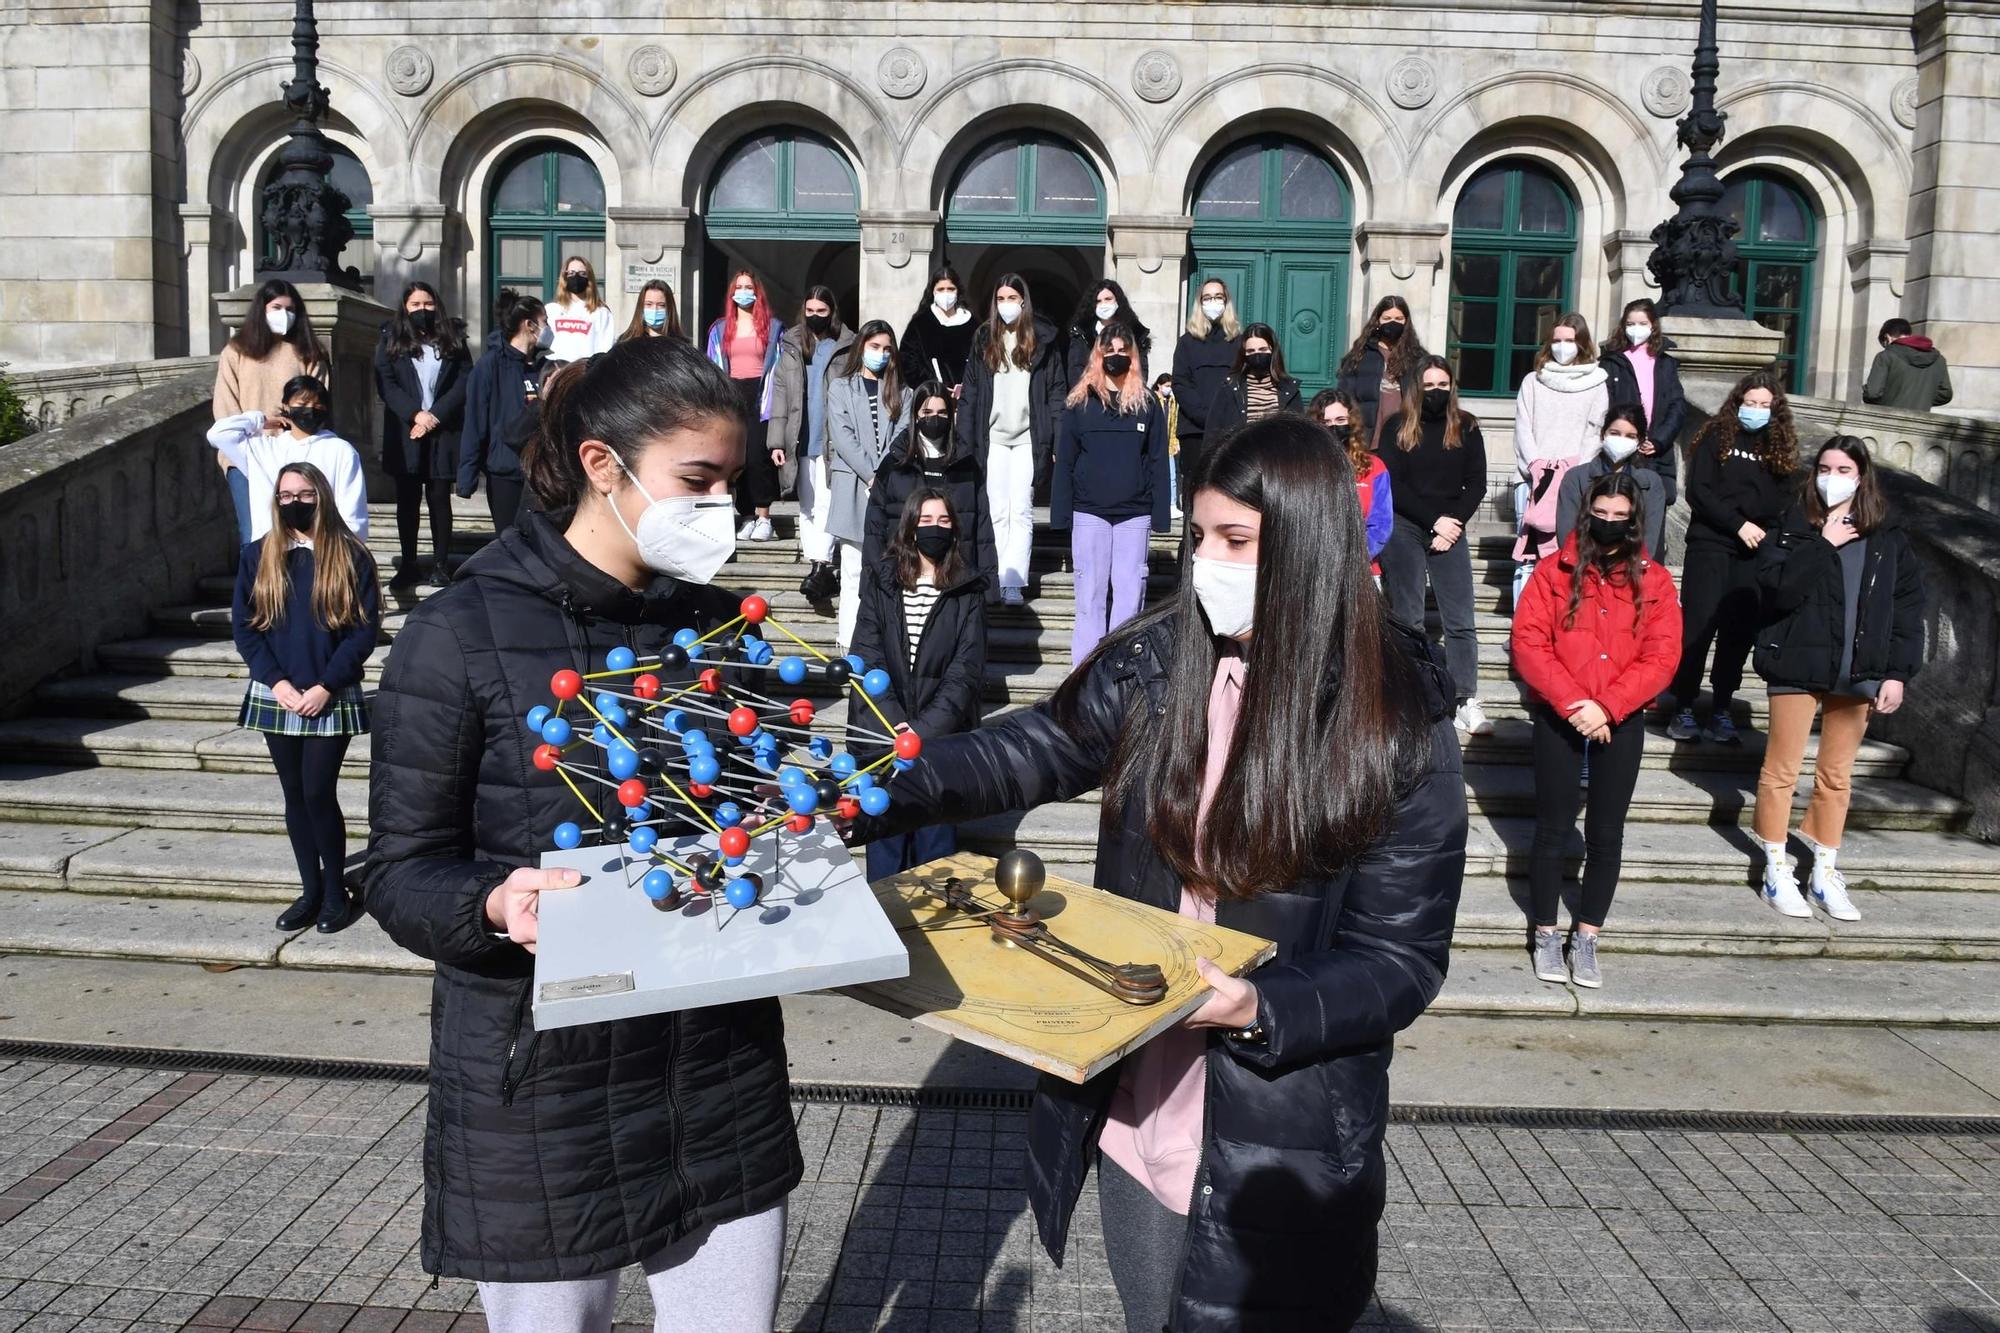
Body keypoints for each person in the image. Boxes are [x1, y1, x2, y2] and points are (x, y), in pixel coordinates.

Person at [850, 415, 1467, 1333]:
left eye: (1237, 541)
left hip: (1279, 1126)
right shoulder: (1160, 659)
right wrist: (878, 782)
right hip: (1142, 1099)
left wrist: (1263, 1006)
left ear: (1307, 547)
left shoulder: (1396, 723)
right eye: (1201, 536)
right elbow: (1036, 747)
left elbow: (1399, 958)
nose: (1207, 564)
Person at [365, 339, 799, 1333]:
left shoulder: (726, 631)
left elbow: (769, 809)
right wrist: (491, 902)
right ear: (602, 466)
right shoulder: (459, 634)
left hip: (715, 1074)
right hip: (545, 1089)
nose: (722, 506)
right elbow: (399, 870)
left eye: (733, 481)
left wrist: (791, 837)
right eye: (698, 480)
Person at [1509, 471, 1681, 988]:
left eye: (1619, 518)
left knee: (1606, 834)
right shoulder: (1552, 572)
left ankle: (1586, 938)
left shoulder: (1654, 580)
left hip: (1619, 717)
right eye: (1599, 515)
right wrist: (1573, 702)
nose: (1608, 525)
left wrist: (1607, 707)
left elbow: (1663, 654)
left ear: (1634, 522)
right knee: (1552, 829)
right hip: (1562, 712)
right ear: (1587, 515)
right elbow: (1529, 643)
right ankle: (1544, 932)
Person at [1751, 436, 1925, 921]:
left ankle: (1824, 872)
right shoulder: (1792, 526)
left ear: (1862, 476)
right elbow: (1777, 591)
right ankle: (1775, 867)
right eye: (1824, 467)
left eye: (1844, 469)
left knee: (1836, 777)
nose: (1832, 477)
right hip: (1795, 663)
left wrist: (1897, 672)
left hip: (1859, 668)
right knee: (1781, 771)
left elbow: (1908, 608)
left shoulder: (1887, 536)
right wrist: (1822, 544)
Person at [233, 461, 379, 935]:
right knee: (294, 794)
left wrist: (325, 687)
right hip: (278, 692)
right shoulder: (259, 555)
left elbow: (362, 632)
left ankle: (336, 892)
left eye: (304, 493)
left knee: (319, 792)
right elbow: (246, 629)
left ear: (321, 495)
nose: (294, 502)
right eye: (286, 495)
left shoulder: (350, 555)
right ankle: (310, 890)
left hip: (328, 692)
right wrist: (276, 683)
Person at [848, 488, 988, 882]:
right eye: (926, 521)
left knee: (935, 854)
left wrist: (922, 731)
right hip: (881, 734)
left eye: (944, 521)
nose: (935, 528)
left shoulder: (968, 590)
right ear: (909, 528)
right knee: (887, 853)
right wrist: (895, 724)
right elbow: (867, 653)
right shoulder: (882, 580)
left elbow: (966, 672)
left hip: (940, 742)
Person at [1666, 369, 1798, 745]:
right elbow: (1700, 491)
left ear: (1775, 409)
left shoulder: (1779, 447)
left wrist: (1763, 531)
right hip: (1711, 544)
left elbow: (1782, 499)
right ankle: (1684, 705)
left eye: (1763, 405)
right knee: (1699, 626)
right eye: (1749, 403)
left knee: (1738, 634)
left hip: (1755, 551)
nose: (1755, 410)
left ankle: (1722, 706)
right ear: (1737, 403)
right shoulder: (1714, 436)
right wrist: (1738, 523)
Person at [1376, 355, 1491, 735]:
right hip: (1408, 525)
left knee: (1460, 619)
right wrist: (1434, 521)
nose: (1437, 392)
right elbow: (1394, 483)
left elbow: (1477, 482)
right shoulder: (1397, 427)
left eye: (1444, 385)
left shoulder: (1467, 427)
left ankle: (1464, 698)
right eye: (1430, 386)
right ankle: (1411, 692)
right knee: (1408, 615)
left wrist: (1452, 523)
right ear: (1416, 388)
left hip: (1450, 528)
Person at [1052, 324, 1173, 662]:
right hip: (1089, 513)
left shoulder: (1148, 404)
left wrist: (1160, 515)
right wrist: (1060, 516)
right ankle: (1083, 676)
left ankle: (1122, 675)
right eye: (1110, 351)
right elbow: (1066, 462)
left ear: (1133, 357)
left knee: (1129, 599)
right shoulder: (1080, 403)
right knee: (1089, 599)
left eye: (1124, 351)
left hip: (1134, 515)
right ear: (1098, 355)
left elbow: (1157, 461)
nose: (1116, 357)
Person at [956, 274, 1066, 607]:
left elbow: (1056, 395)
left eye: (1012, 297)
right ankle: (995, 577)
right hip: (992, 438)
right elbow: (970, 394)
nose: (1007, 304)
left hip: (1028, 439)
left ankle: (1014, 582)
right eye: (1001, 298)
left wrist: (1058, 441)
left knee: (1020, 510)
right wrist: (965, 440)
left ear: (1023, 300)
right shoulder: (982, 340)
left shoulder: (1042, 340)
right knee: (995, 510)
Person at [213, 279, 325, 545]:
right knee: (253, 534)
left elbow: (317, 403)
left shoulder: (309, 352)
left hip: (293, 451)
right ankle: (253, 588)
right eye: (276, 307)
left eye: (290, 309)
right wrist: (258, 425)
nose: (283, 314)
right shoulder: (236, 351)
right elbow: (225, 407)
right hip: (245, 454)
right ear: (262, 309)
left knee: (298, 534)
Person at [376, 282, 472, 588]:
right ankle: (409, 563)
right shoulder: (390, 340)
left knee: (439, 498)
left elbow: (463, 380)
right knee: (407, 500)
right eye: (415, 305)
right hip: (406, 433)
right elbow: (386, 384)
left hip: (442, 431)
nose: (422, 310)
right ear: (405, 308)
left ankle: (441, 564)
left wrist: (434, 416)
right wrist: (414, 414)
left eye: (428, 304)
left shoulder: (453, 339)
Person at [825, 320, 912, 652]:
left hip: (888, 490)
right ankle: (848, 642)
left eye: (887, 349)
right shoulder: (841, 387)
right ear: (861, 346)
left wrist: (884, 474)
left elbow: (903, 436)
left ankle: (884, 642)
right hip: (854, 488)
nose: (881, 354)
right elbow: (842, 436)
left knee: (889, 571)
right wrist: (871, 473)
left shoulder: (904, 392)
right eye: (875, 347)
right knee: (851, 570)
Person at [1511, 312, 1608, 605]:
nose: (1562, 346)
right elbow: (1523, 427)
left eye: (1569, 341)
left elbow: (1595, 431)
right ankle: (1523, 621)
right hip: (1532, 478)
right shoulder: (1533, 381)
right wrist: (1537, 465)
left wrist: (1574, 470)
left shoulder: (1597, 383)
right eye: (1556, 340)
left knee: (1566, 549)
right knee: (1527, 554)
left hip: (1574, 480)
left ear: (1581, 343)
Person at [207, 375, 369, 542]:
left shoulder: (340, 451)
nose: (310, 410)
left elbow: (353, 517)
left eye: (318, 406)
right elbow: (218, 435)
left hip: (323, 552)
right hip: (273, 551)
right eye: (302, 404)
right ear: (286, 405)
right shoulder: (263, 450)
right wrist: (259, 421)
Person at [863, 381, 996, 585]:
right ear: (916, 414)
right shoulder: (894, 465)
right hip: (904, 575)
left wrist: (988, 585)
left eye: (942, 412)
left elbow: (983, 530)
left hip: (956, 576)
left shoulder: (967, 466)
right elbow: (874, 528)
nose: (935, 418)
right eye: (927, 411)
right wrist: (873, 583)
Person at [768, 286, 854, 597]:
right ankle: (817, 564)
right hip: (799, 436)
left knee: (827, 503)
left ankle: (820, 563)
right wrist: (776, 442)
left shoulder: (847, 345)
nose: (815, 316)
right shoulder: (791, 344)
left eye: (822, 311)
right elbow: (779, 395)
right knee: (806, 505)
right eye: (810, 311)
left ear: (832, 312)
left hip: (831, 438)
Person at [703, 269, 786, 541]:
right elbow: (713, 365)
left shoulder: (773, 328)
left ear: (757, 291)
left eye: (748, 286)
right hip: (731, 396)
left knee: (757, 458)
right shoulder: (720, 328)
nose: (743, 291)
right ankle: (747, 515)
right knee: (736, 460)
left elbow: (781, 365)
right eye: (738, 287)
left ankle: (764, 517)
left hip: (762, 397)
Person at [459, 295, 547, 534]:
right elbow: (475, 421)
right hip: (505, 470)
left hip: (539, 472)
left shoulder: (544, 367)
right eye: (544, 321)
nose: (548, 328)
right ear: (529, 325)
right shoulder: (490, 366)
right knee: (510, 540)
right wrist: (466, 477)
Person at [1598, 298, 1686, 503]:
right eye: (1630, 324)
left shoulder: (1665, 362)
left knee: (1654, 514)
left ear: (1653, 325)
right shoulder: (1611, 362)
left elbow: (1677, 405)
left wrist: (1659, 440)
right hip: (1620, 450)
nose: (1636, 329)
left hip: (1655, 453)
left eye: (1642, 323)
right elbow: (1603, 406)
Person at [1555, 403, 1666, 559]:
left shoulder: (1650, 483)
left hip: (1631, 573)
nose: (1621, 440)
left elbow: (1649, 538)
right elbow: (1568, 534)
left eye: (1630, 436)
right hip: (1584, 568)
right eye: (1614, 433)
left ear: (1640, 441)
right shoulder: (1576, 478)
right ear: (1603, 434)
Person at [1170, 277, 1242, 501]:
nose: (1213, 302)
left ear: (1227, 301)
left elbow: (1242, 382)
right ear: (1199, 303)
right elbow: (1181, 383)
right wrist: (1206, 416)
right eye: (1207, 298)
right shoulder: (1186, 343)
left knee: (1229, 489)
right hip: (1194, 430)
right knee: (1196, 491)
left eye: (1218, 297)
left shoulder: (1239, 342)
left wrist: (1224, 418)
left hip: (1230, 430)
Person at [1309, 388, 1392, 567]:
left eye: (1340, 420)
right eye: (1326, 422)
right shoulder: (1302, 468)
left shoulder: (1374, 466)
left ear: (1352, 422)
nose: (1333, 427)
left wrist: (1354, 559)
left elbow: (1381, 525)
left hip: (1361, 566)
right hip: (1312, 566)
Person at [1336, 295, 1426, 446]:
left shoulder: (1418, 358)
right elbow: (1345, 396)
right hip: (1368, 439)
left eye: (1399, 318)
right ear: (1378, 321)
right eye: (1387, 318)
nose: (1393, 322)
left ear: (1406, 322)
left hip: (1405, 438)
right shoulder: (1359, 356)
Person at [1203, 323, 1303, 437]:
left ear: (1273, 351)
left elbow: (1300, 432)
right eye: (1251, 351)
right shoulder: (1230, 388)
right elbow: (1212, 432)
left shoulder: (1289, 389)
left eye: (1263, 349)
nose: (1257, 355)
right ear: (1244, 354)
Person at [898, 263, 978, 396]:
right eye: (941, 289)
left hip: (967, 399)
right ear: (933, 292)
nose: (946, 293)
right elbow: (907, 363)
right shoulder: (920, 324)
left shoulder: (973, 324)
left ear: (958, 291)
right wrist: (932, 386)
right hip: (931, 398)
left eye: (950, 289)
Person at [1064, 279, 1152, 386]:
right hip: (1092, 395)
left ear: (1117, 301)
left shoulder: (1135, 333)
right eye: (1098, 301)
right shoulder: (1082, 333)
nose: (1103, 304)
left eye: (1108, 299)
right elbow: (1076, 370)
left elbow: (1141, 369)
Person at [1862, 317, 1954, 413]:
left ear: (1888, 337)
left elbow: (1872, 393)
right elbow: (1945, 394)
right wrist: (1921, 398)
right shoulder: (1938, 360)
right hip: (1921, 421)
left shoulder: (1886, 356)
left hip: (1889, 420)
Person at [543, 255, 616, 364]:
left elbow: (605, 349)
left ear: (589, 278)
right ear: (564, 276)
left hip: (584, 372)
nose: (576, 277)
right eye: (571, 273)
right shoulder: (551, 310)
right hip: (555, 371)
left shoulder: (601, 313)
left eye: (582, 273)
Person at [617, 278, 683, 343]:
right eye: (649, 304)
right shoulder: (625, 343)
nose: (654, 310)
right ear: (641, 306)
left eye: (661, 305)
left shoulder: (682, 345)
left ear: (670, 308)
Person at [1152, 373, 1182, 518]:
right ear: (1159, 385)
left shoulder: (1172, 401)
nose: (1169, 389)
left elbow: (1174, 423)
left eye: (1171, 386)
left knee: (1172, 476)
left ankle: (1172, 505)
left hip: (1168, 444)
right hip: (1155, 444)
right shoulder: (1152, 399)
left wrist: (1175, 442)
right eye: (1167, 386)